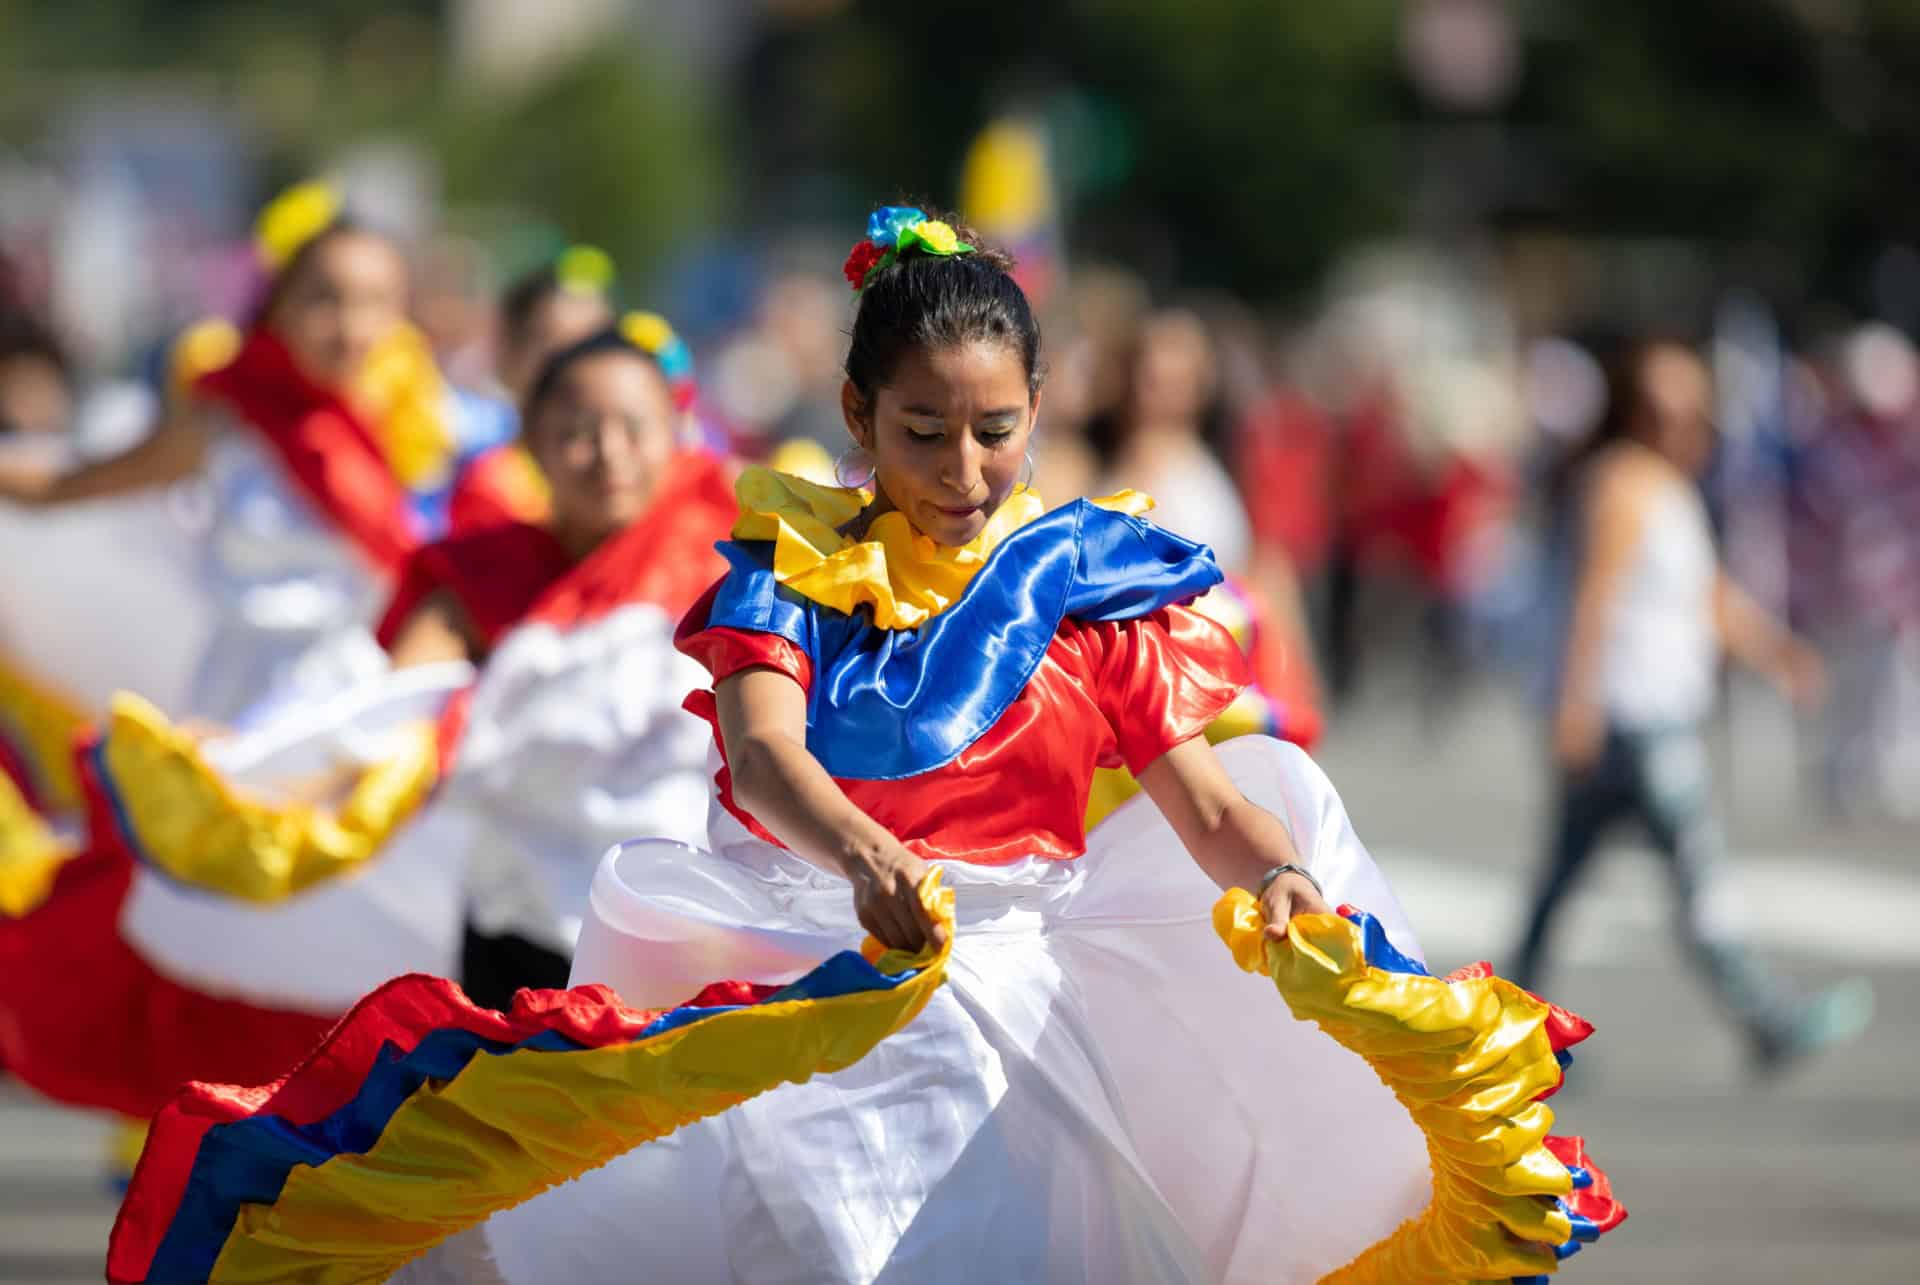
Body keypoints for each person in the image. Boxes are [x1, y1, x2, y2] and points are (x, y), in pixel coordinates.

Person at [112, 210, 1620, 1285]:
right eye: (921, 430)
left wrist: (1287, 878)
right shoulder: (786, 576)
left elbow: (1206, 795)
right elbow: (763, 760)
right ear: (856, 414)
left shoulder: (1087, 599)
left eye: (994, 431)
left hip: (1027, 1011)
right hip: (811, 981)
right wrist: (870, 860)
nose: (961, 469)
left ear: (1036, 416)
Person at [0, 312, 733, 1116]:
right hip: (517, 924)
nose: (608, 454)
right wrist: (249, 759)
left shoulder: (734, 566)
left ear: (678, 433)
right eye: (578, 430)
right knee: (529, 1175)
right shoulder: (484, 572)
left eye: (635, 427)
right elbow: (383, 707)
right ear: (533, 440)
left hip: (676, 930)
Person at [1518, 338, 1873, 1071]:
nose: (1675, 421)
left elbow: (1707, 598)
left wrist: (1777, 652)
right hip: (1634, 716)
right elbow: (1593, 597)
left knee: (1561, 885)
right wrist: (1576, 703)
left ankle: (1502, 1034)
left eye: (1688, 406)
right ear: (1629, 409)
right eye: (1658, 405)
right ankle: (1767, 1018)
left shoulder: (1667, 488)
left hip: (1650, 712)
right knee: (1697, 873)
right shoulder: (1620, 481)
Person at [0, 181, 440, 722]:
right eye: (326, 299)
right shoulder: (227, 421)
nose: (352, 328)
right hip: (242, 712)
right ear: (279, 304)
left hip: (346, 719)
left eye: (375, 303)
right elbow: (67, 486)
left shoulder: (405, 430)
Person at [444, 246, 618, 534]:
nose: (575, 366)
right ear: (508, 351)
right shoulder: (466, 463)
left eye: (593, 343)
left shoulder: (639, 471)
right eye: (554, 344)